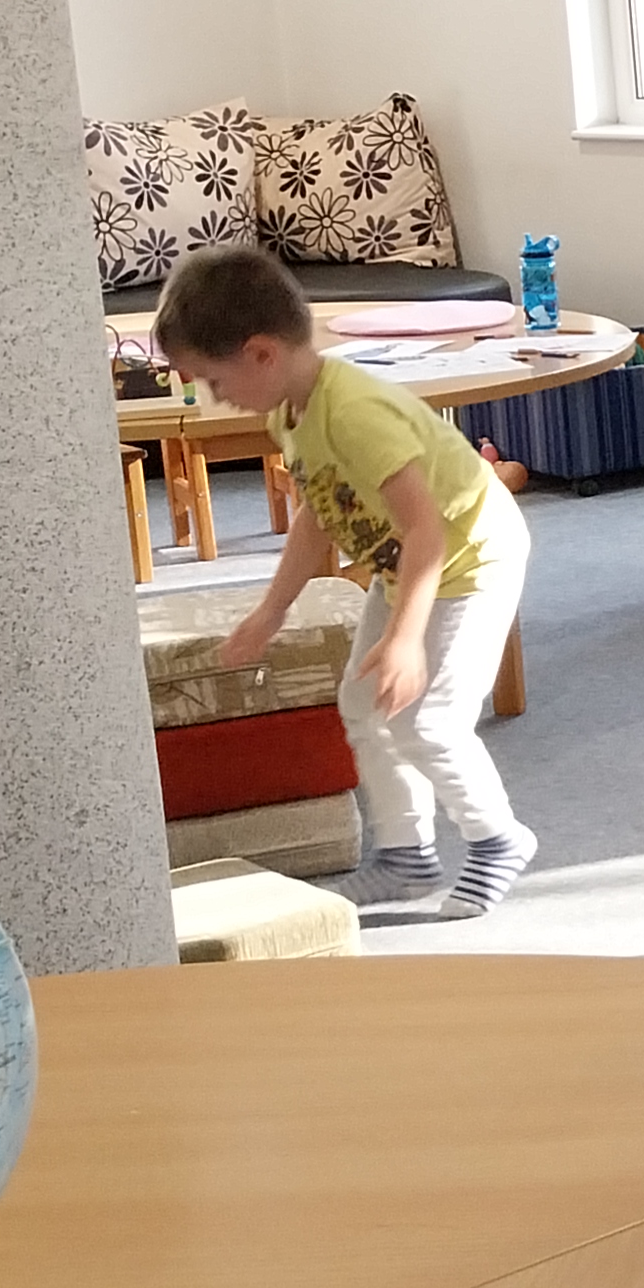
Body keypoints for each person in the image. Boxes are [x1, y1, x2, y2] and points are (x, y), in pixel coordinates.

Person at [154, 246, 534, 919]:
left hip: (469, 560)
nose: (215, 396)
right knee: (363, 705)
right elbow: (320, 514)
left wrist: (407, 639)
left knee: (427, 720)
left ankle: (497, 839)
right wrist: (272, 610)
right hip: (404, 562)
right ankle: (406, 857)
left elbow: (427, 530)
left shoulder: (356, 412)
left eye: (214, 379)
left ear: (262, 354)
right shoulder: (289, 413)